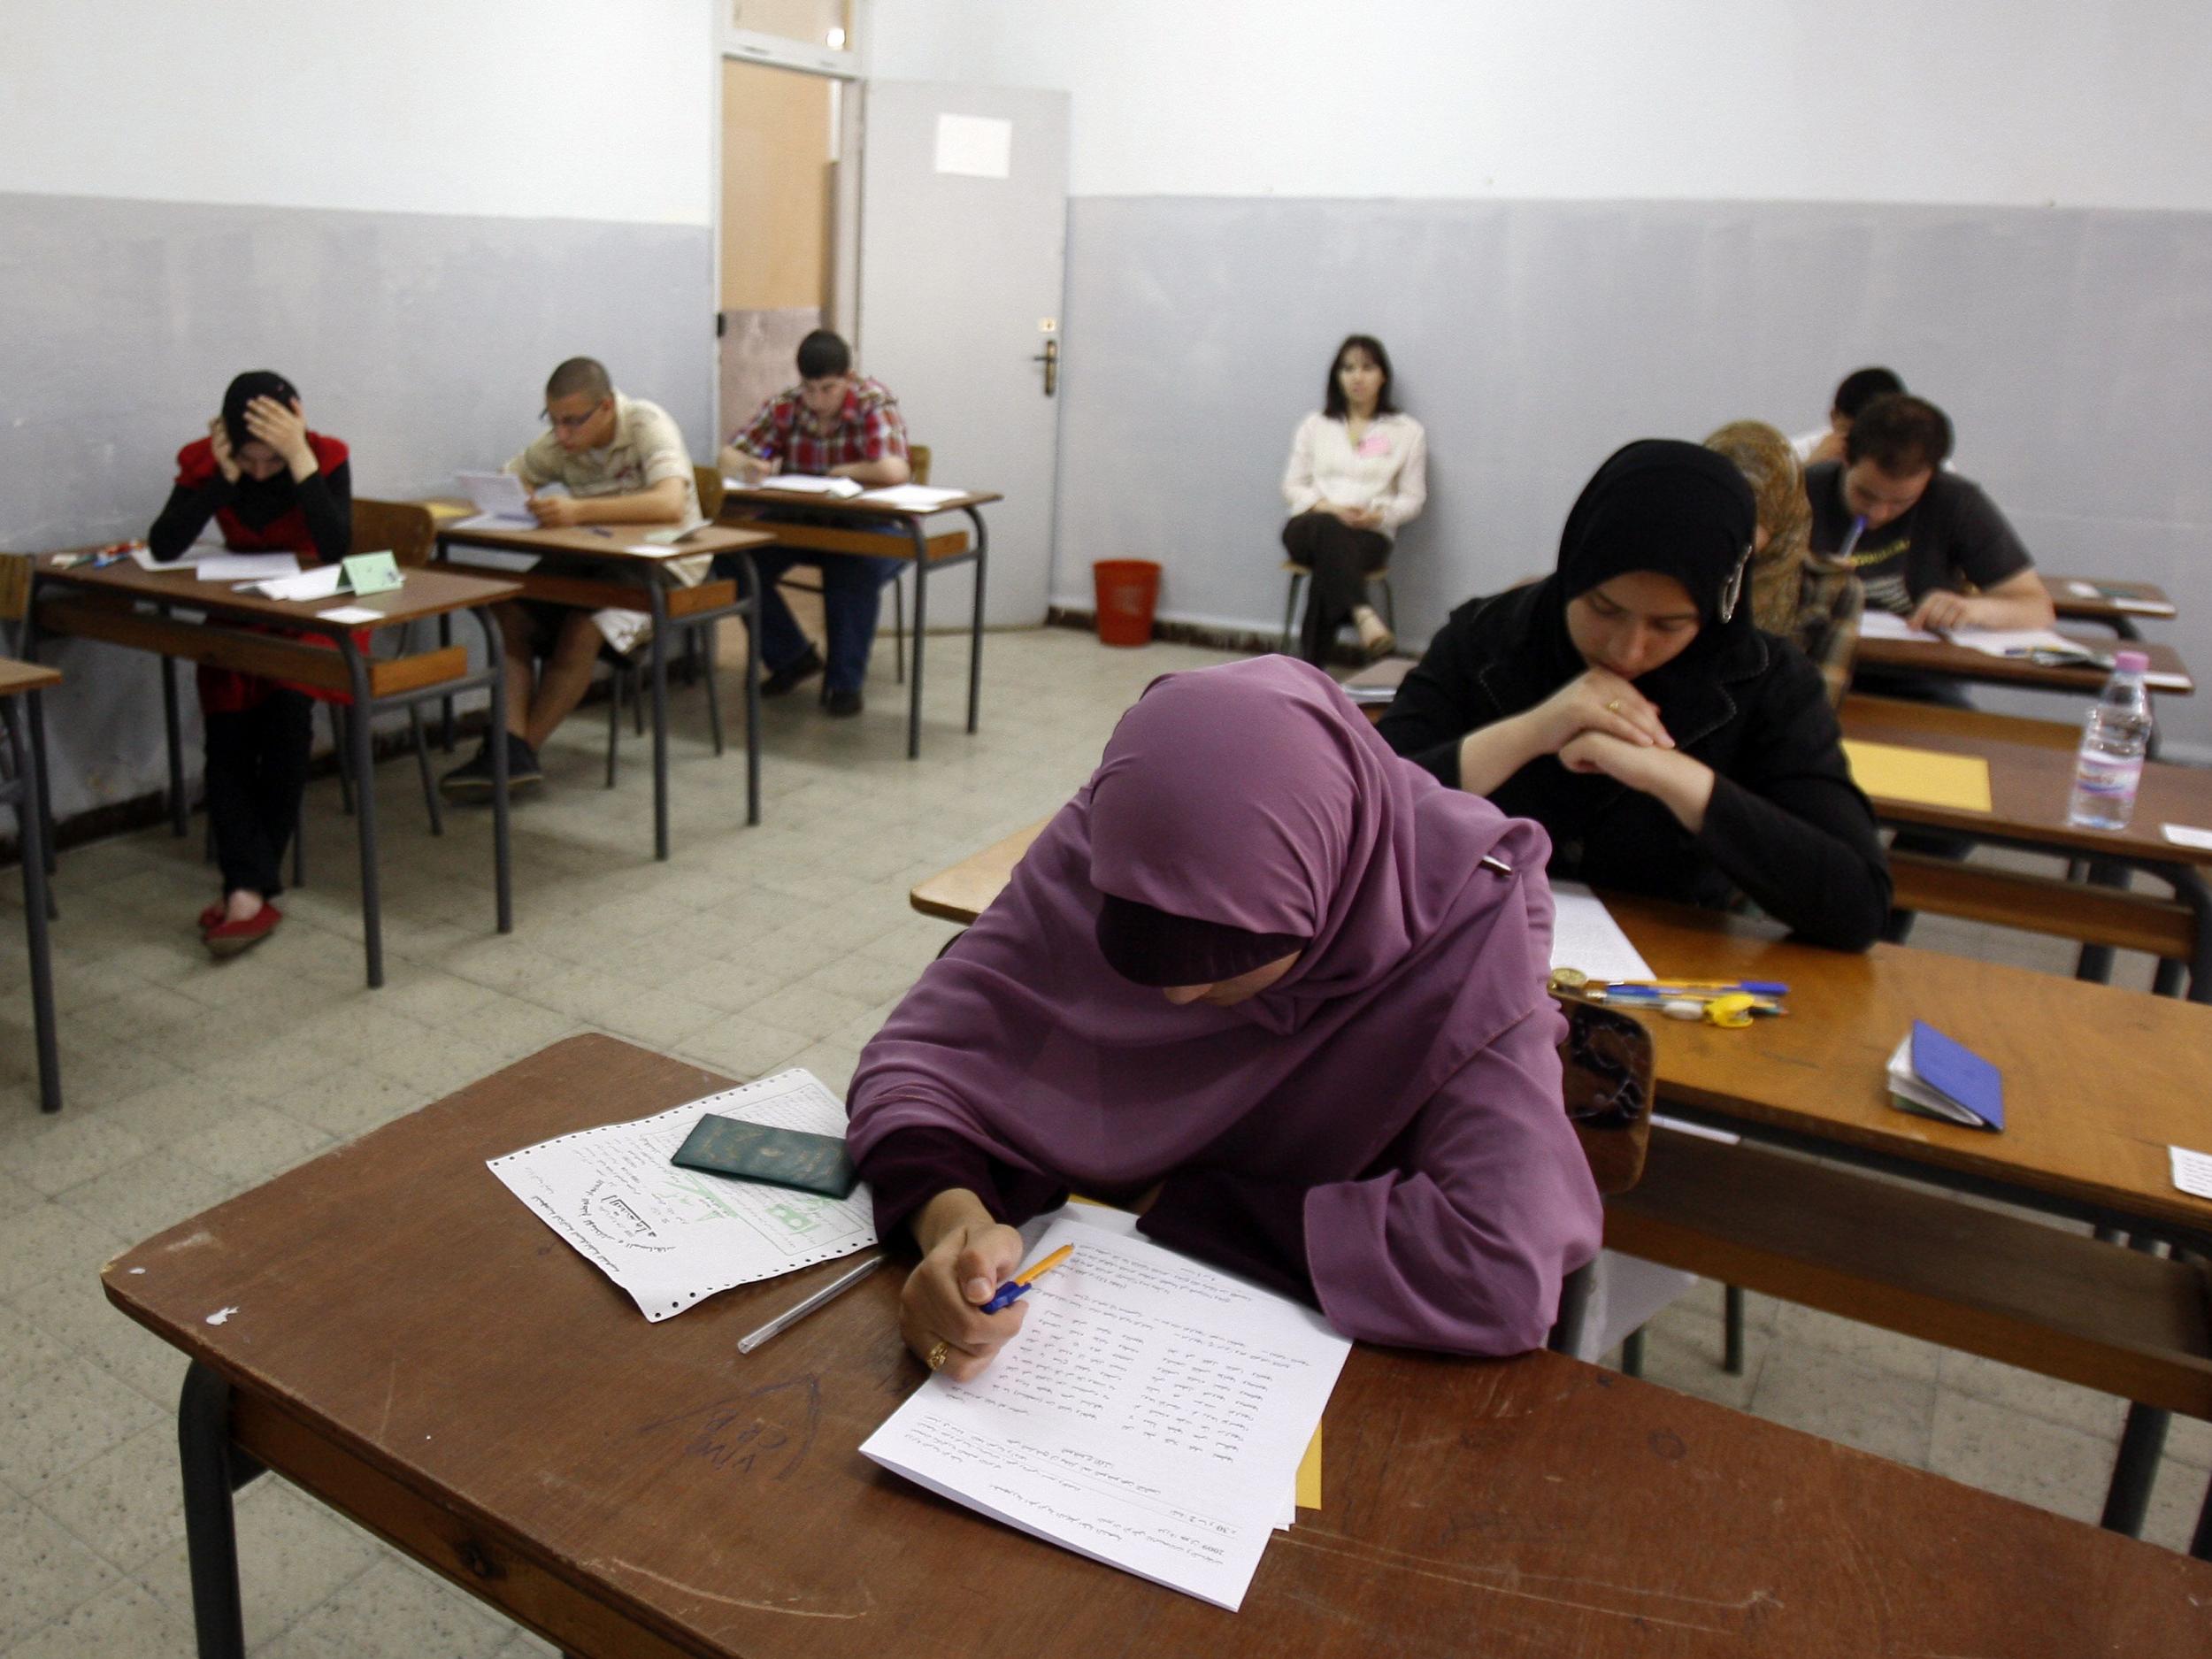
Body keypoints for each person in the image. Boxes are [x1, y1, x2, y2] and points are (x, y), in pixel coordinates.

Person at [845, 657, 1601, 1382]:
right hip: (1089, 1308)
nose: (1175, 1001)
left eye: (1226, 964)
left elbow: (1501, 1259)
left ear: (1325, 900)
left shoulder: (1470, 921)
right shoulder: (1113, 833)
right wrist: (954, 1223)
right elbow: (916, 1057)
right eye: (1139, 958)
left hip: (1288, 1362)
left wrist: (1176, 1204)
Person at [1378, 440, 1890, 953]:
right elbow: (1360, 817)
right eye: (1603, 608)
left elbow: (1858, 905)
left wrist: (1675, 777)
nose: (1628, 648)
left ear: (1718, 607)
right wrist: (1529, 733)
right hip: (1466, 948)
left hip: (1667, 972)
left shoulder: (1767, 681)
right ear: (1574, 569)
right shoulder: (1487, 638)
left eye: (1670, 624)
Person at [147, 371, 350, 956]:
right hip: (240, 611)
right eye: (249, 459)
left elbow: (338, 545)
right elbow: (165, 545)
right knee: (228, 733)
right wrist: (222, 479)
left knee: (287, 717)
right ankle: (251, 889)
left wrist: (299, 458)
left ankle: (244, 891)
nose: (261, 471)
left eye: (270, 459)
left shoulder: (326, 456)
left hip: (315, 616)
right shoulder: (208, 461)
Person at [440, 357, 699, 795]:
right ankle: (511, 753)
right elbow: (513, 477)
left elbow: (670, 504)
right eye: (553, 420)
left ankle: (511, 757)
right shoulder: (562, 440)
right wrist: (519, 498)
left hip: (661, 564)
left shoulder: (646, 424)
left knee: (584, 627)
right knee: (509, 610)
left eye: (572, 422)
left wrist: (578, 510)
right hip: (592, 557)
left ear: (606, 408)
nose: (562, 435)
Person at [718, 330, 911, 718]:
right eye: (809, 388)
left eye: (828, 389)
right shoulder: (788, 406)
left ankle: (844, 684)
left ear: (849, 378)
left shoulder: (873, 401)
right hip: (802, 522)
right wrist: (749, 466)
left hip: (871, 527)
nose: (817, 400)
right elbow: (728, 455)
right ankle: (793, 658)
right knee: (732, 565)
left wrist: (839, 471)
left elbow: (894, 470)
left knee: (850, 567)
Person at [1804, 393, 2053, 635]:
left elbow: (2036, 608)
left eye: (1901, 502)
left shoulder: (1956, 502)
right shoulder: (1800, 491)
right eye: (1865, 495)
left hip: (1914, 668)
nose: (1878, 514)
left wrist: (1974, 609)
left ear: (1932, 475)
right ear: (1845, 456)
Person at [1279, 334, 1427, 666]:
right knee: (1328, 529)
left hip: (1368, 535)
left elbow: (1413, 499)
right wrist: (1329, 508)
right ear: (1337, 377)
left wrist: (1378, 516)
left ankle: (1308, 670)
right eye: (1347, 369)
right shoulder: (1315, 425)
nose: (1357, 377)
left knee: (1328, 567)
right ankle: (1361, 610)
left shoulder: (1407, 431)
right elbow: (1293, 486)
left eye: (1367, 367)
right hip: (1308, 525)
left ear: (1383, 376)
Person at [1704, 419, 1863, 708]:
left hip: (1771, 743)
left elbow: (1818, 711)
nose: (1737, 523)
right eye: (1724, 502)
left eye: (1758, 507)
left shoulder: (1830, 586)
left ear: (1783, 509)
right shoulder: (1673, 571)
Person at [1789, 365, 1905, 466]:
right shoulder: (1791, 456)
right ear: (1834, 417)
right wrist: (1809, 468)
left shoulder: (1912, 459)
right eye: (1851, 436)